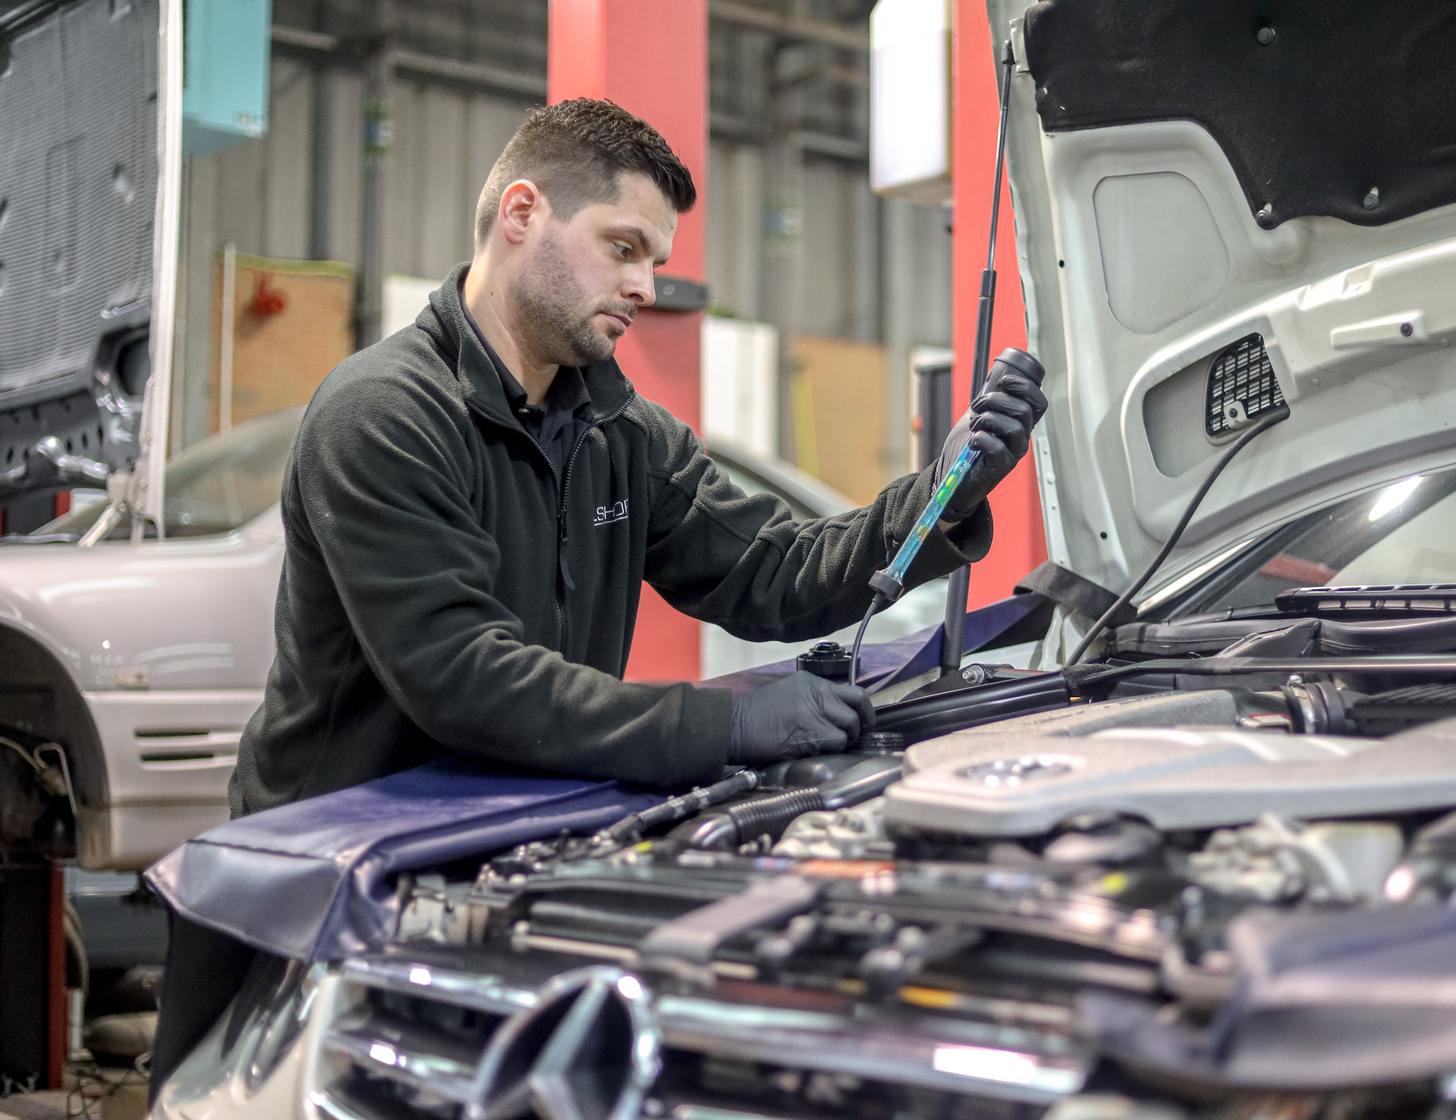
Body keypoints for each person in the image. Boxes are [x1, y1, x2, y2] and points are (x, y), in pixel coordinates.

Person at [150, 98, 1046, 1095]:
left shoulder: (620, 429)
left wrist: (939, 496)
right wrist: (726, 721)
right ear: (521, 214)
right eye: (624, 248)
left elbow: (770, 568)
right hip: (330, 882)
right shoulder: (386, 416)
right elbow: (465, 678)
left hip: (511, 848)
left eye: (654, 258)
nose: (644, 286)